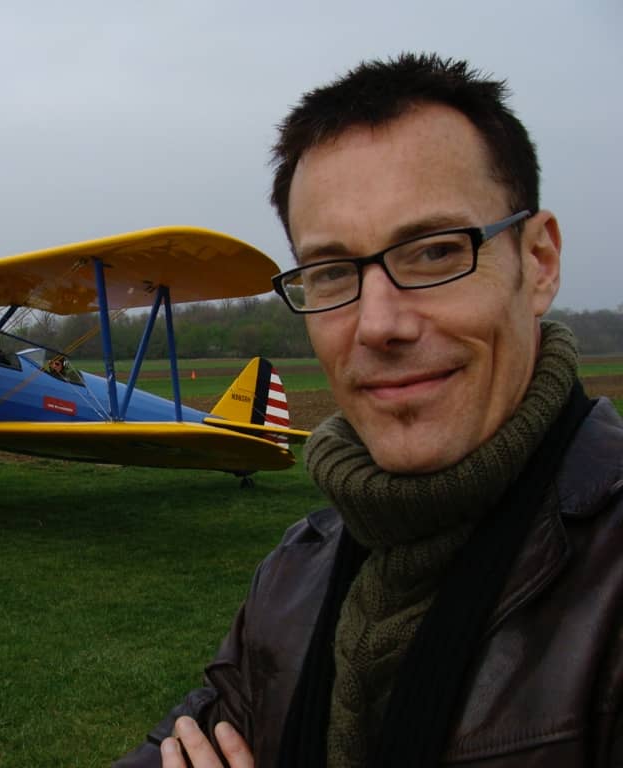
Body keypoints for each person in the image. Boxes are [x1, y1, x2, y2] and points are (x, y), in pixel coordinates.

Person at [115, 53, 622, 768]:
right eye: (331, 273)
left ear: (537, 262)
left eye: (435, 252)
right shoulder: (296, 572)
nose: (379, 325)